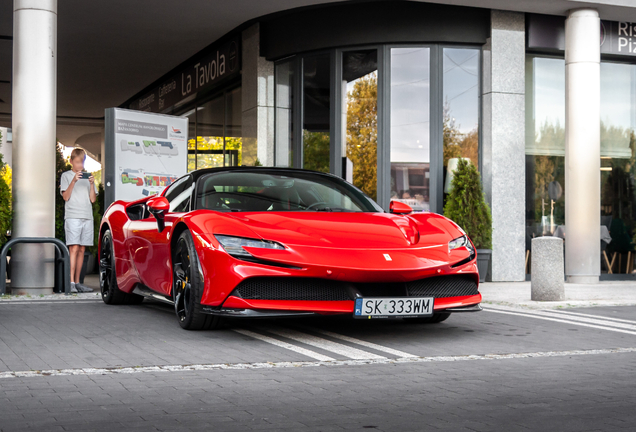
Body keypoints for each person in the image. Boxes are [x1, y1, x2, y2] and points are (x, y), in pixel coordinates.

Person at [60, 148, 96, 293]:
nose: (80, 165)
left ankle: (78, 282)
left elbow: (93, 200)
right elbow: (65, 197)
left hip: (87, 216)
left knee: (82, 249)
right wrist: (74, 181)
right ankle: (70, 283)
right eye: (77, 162)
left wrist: (92, 184)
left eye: (82, 162)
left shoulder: (88, 177)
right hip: (73, 216)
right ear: (71, 162)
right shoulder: (66, 176)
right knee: (73, 248)